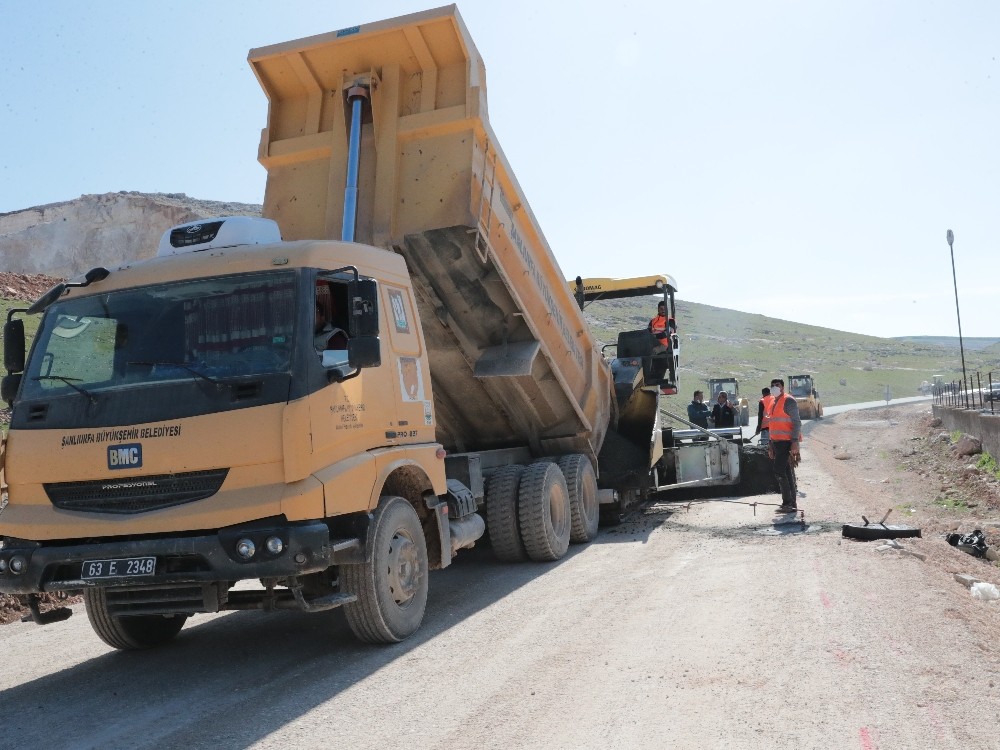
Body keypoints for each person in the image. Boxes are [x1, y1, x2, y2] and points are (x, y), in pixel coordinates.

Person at [765, 378, 802, 513]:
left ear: (783, 387)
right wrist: (770, 444)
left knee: (779, 471)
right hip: (777, 442)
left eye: (777, 385)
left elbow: (797, 422)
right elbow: (772, 425)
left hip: (786, 442)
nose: (774, 387)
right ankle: (791, 504)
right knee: (786, 471)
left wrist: (794, 442)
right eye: (772, 385)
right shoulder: (772, 402)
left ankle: (788, 503)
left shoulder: (789, 401)